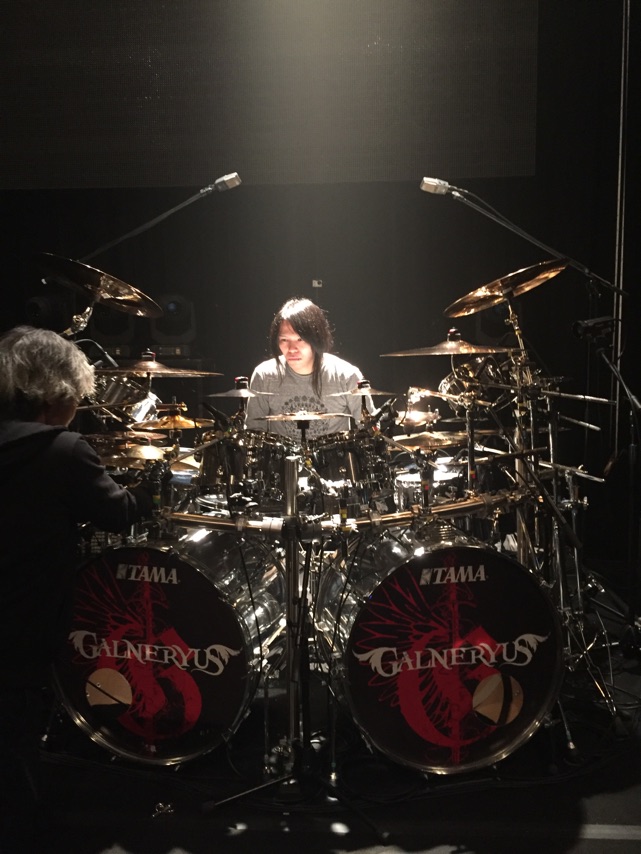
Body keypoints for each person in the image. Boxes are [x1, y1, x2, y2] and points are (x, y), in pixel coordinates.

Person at [0, 325, 155, 851]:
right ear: (56, 393)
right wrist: (151, 486)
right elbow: (119, 513)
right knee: (17, 732)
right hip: (24, 615)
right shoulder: (64, 450)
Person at [245, 297, 372, 439]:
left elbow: (369, 429)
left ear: (316, 338)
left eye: (300, 339)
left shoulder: (346, 375)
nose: (292, 349)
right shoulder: (264, 375)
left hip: (334, 454)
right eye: (284, 340)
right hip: (283, 454)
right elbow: (254, 432)